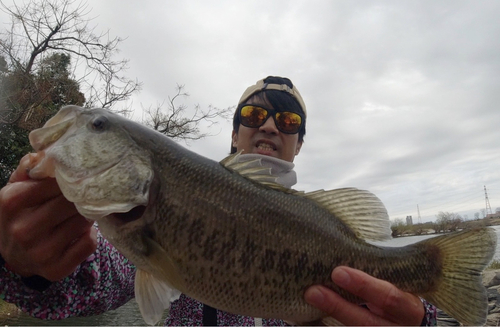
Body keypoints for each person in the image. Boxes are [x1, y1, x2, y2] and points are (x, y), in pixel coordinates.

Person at [0, 76, 437, 325]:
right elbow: (81, 287)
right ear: (233, 134)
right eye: (252, 115)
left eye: (286, 120)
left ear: (299, 144)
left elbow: (403, 306)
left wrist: (424, 322)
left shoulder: (320, 224)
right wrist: (26, 267)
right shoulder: (144, 217)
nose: (268, 126)